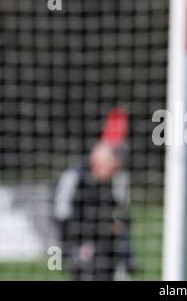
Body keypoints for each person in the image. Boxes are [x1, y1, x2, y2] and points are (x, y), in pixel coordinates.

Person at [53, 107, 138, 280]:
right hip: (81, 248)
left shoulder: (114, 184)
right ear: (98, 163)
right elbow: (62, 216)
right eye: (111, 167)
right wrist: (65, 250)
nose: (113, 172)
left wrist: (129, 257)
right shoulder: (74, 178)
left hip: (107, 252)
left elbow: (122, 221)